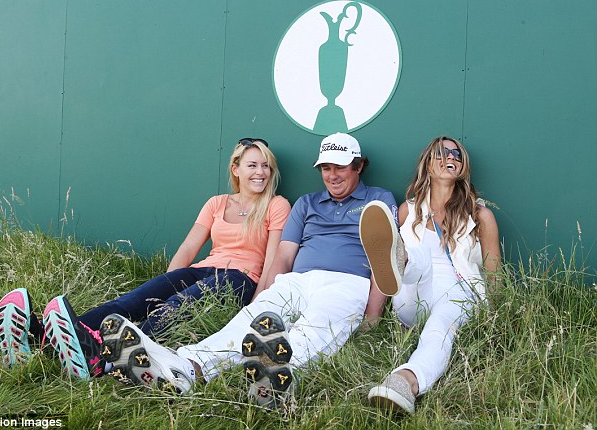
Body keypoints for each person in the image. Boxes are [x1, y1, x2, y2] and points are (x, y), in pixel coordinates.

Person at [96, 132, 399, 408]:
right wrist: (269, 292)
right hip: (297, 279)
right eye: (326, 168)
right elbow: (284, 254)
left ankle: (277, 380)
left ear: (359, 166)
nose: (332, 176)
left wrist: (372, 315)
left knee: (317, 327)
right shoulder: (307, 203)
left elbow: (383, 259)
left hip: (346, 281)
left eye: (340, 167)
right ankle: (187, 368)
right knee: (254, 321)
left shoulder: (379, 200)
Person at [0, 138, 290, 379]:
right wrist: (167, 281)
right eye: (252, 165)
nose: (260, 172)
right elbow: (189, 247)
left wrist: (256, 305)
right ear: (236, 169)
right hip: (202, 270)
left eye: (266, 166)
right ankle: (44, 338)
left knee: (175, 306)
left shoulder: (276, 205)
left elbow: (273, 260)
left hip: (239, 279)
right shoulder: (217, 203)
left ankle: (106, 356)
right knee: (132, 301)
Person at [361, 136, 501, 414]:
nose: (450, 157)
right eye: (442, 152)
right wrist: (372, 317)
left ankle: (405, 381)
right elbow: (382, 270)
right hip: (412, 296)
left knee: (440, 324)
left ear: (462, 166)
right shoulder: (408, 211)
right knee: (417, 258)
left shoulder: (480, 215)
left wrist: (496, 321)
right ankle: (403, 258)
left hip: (459, 295)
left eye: (456, 155)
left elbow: (494, 274)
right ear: (427, 163)